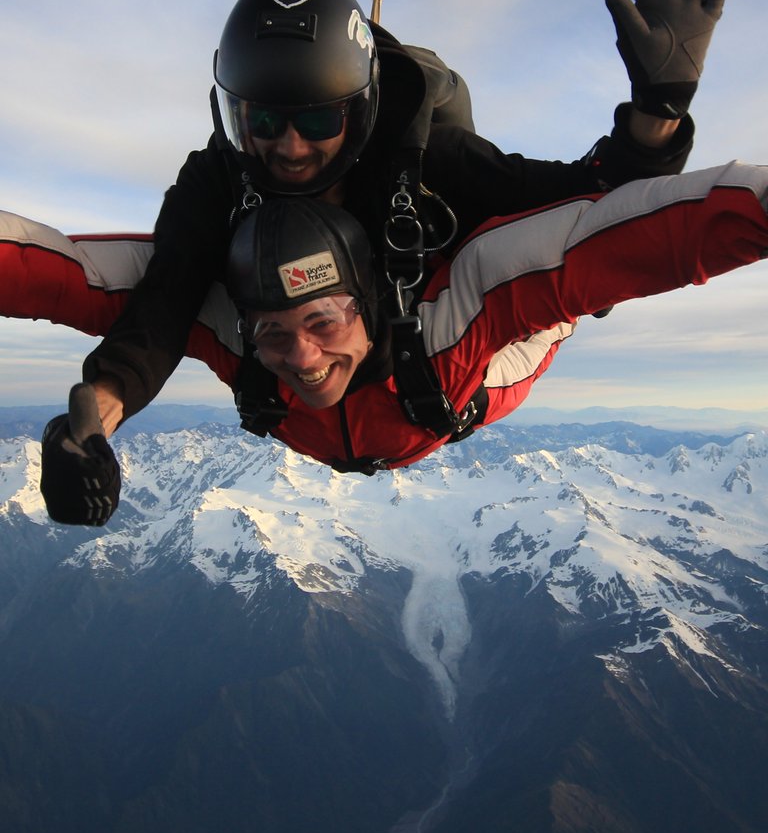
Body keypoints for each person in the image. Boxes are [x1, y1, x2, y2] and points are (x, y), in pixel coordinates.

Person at [75, 0, 732, 440]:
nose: (289, 147)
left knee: (565, 282)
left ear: (358, 109)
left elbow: (593, 214)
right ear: (234, 112)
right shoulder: (220, 176)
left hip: (441, 370)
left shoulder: (428, 162)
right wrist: (104, 406)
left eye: (318, 117)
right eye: (264, 119)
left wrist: (658, 114)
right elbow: (166, 298)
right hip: (307, 376)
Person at [36, 158, 768, 526]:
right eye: (274, 334)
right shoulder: (227, 321)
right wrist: (89, 421)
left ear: (372, 301)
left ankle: (571, 305)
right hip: (408, 409)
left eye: (324, 322)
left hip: (463, 383)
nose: (304, 360)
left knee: (561, 290)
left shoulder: (458, 309)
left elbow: (648, 233)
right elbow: (62, 274)